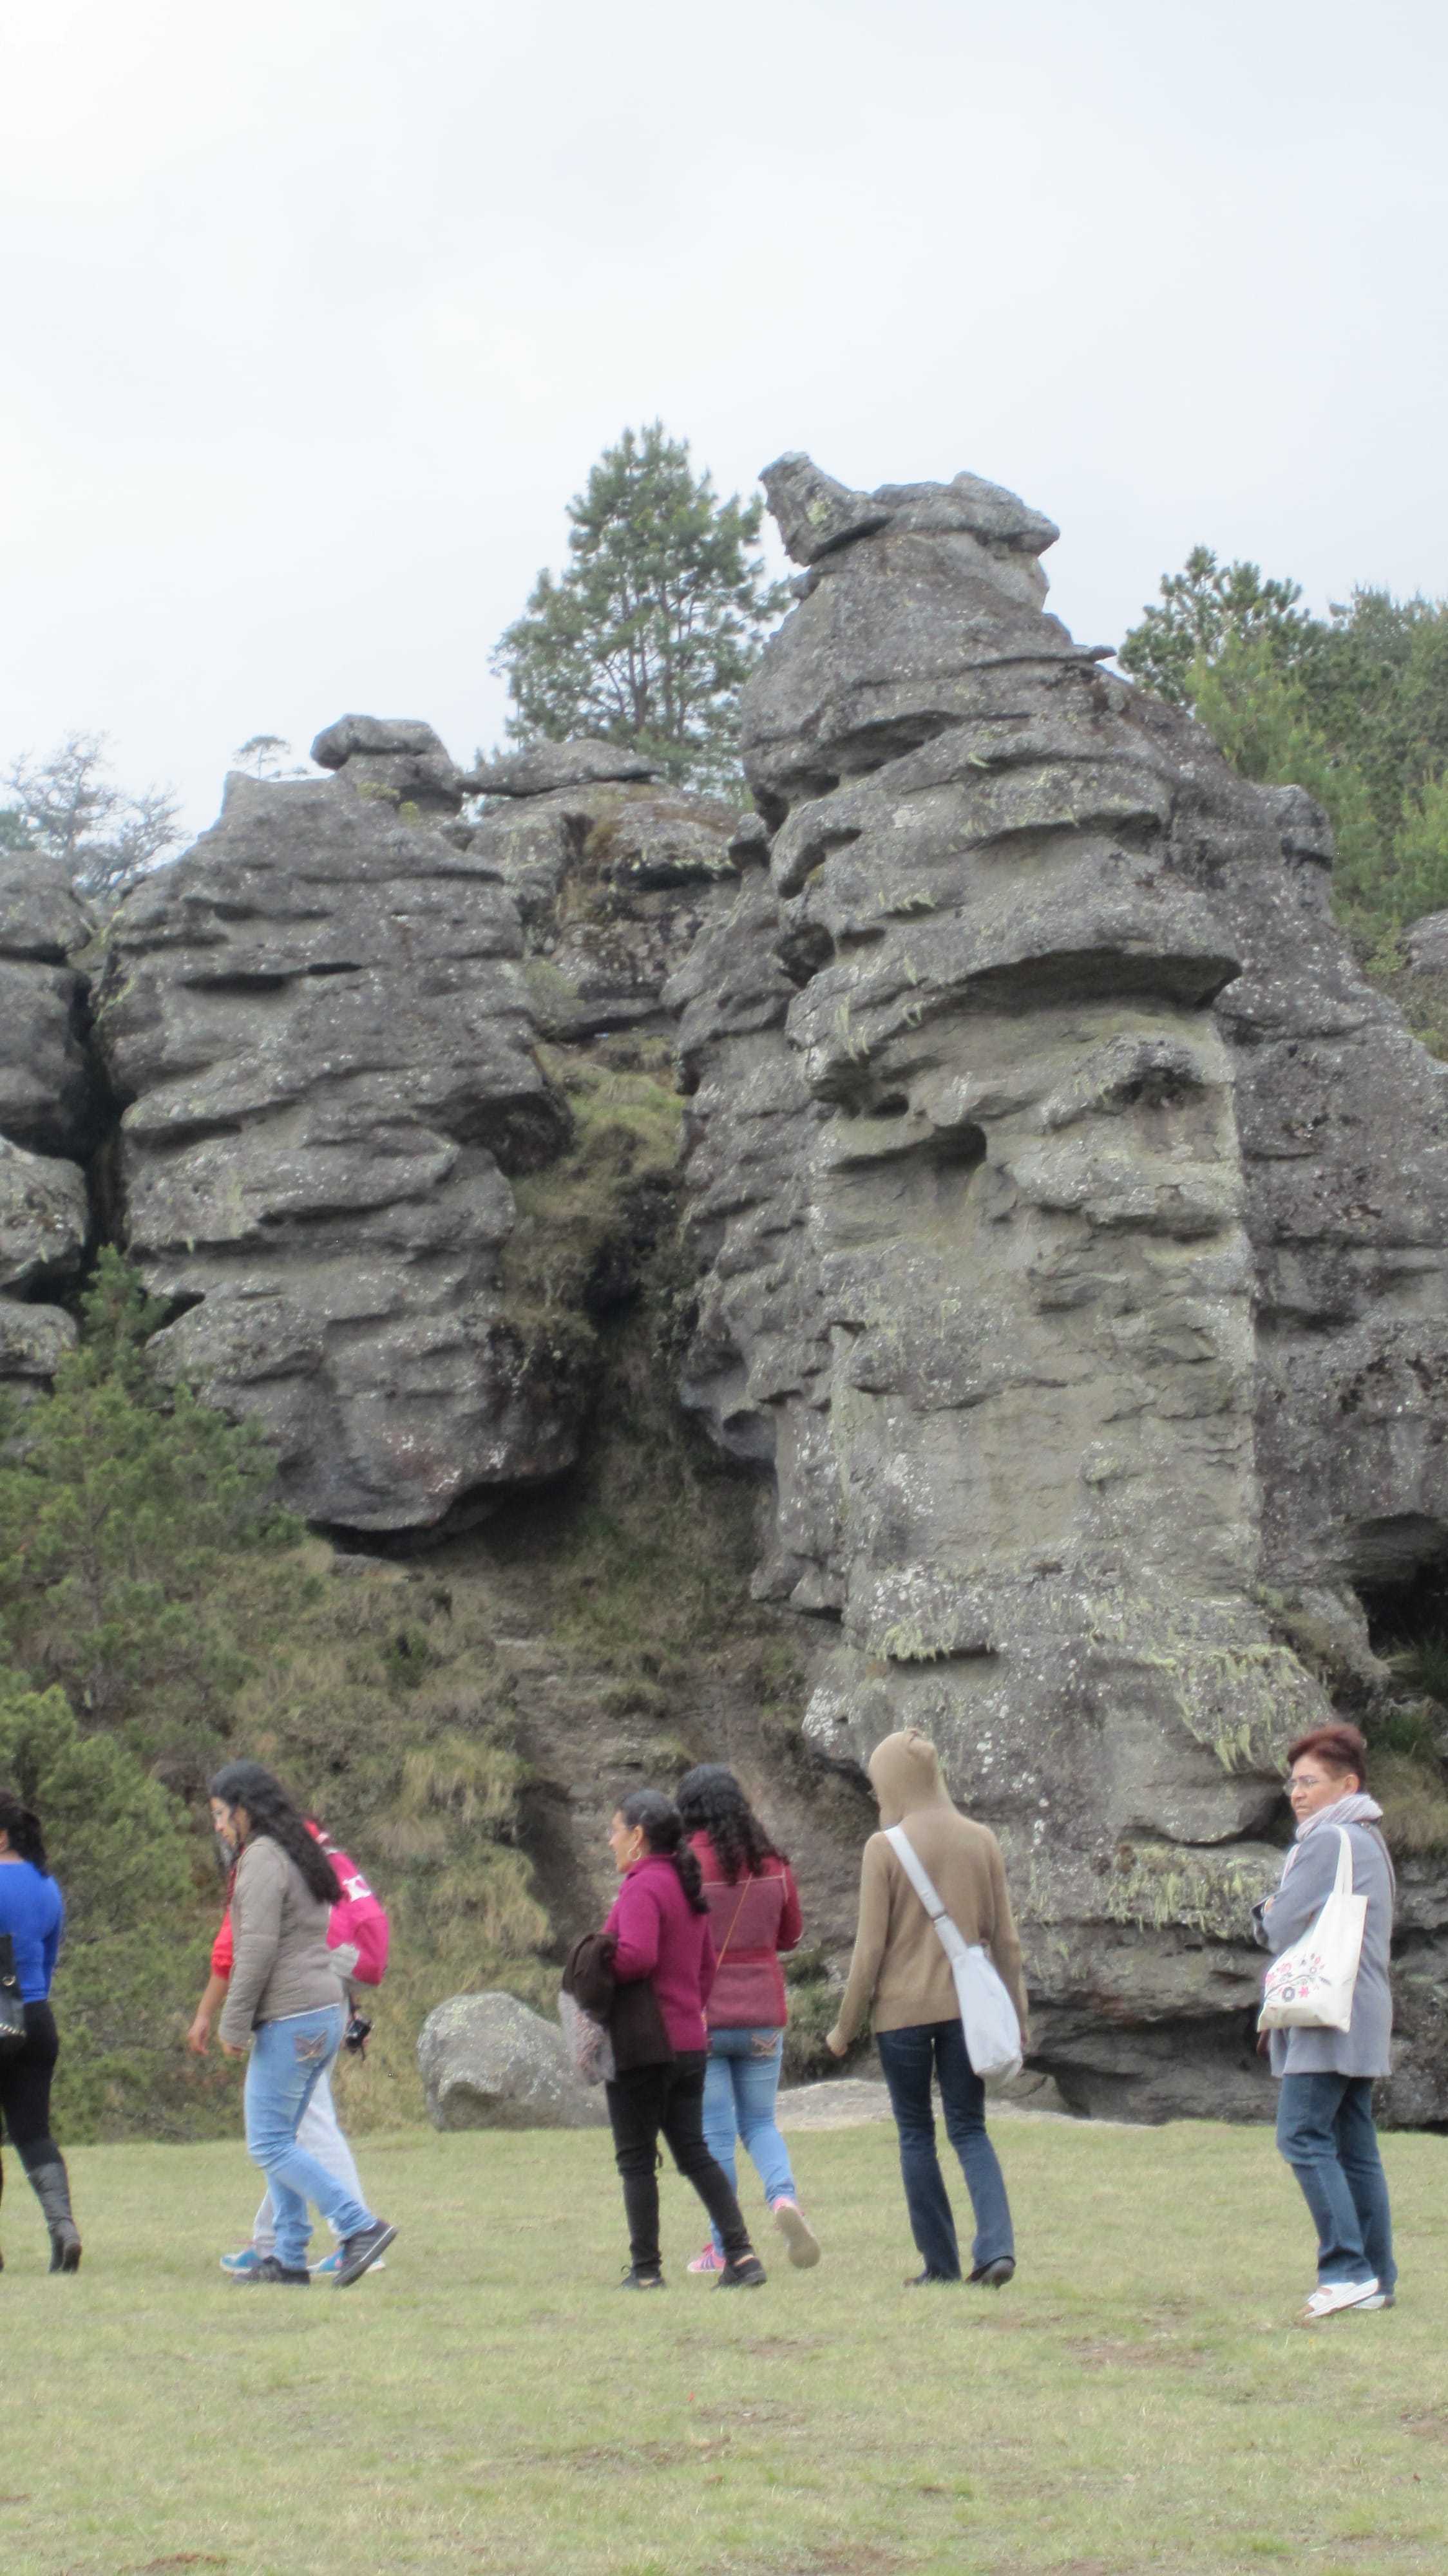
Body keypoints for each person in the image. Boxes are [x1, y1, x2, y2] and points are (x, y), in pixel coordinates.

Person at [826, 1728, 1027, 2289]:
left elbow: (869, 1951)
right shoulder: (981, 1839)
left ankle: (938, 2266)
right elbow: (1007, 1944)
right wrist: (1019, 2017)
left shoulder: (883, 1848)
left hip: (900, 2018)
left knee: (916, 2133)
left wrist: (845, 2028)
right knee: (970, 2129)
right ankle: (996, 2249)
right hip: (968, 2013)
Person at [210, 1760, 394, 2287]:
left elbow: (257, 1950)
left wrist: (233, 2025)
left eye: (223, 1815)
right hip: (323, 2011)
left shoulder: (264, 1858)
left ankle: (359, 2226)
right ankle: (288, 2258)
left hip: (290, 2016)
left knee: (268, 2142)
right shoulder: (301, 1849)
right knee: (286, 2134)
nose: (219, 1826)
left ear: (245, 1810)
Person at [1252, 1722, 1396, 2320]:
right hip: (1362, 2010)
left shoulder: (1328, 1840)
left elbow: (1281, 1925)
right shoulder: (1368, 1839)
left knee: (1302, 2136)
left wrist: (1262, 1910)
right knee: (1354, 2145)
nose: (1297, 1792)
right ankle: (1376, 2277)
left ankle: (1345, 2270)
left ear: (1348, 1784)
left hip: (1325, 2013)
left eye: (1310, 1781)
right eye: (1294, 1782)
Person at [601, 1787, 767, 2290]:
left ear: (638, 1836)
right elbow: (702, 1971)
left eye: (614, 1831)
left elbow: (637, 1957)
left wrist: (595, 1960)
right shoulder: (686, 1885)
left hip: (641, 2044)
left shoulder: (641, 1888)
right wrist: (686, 2013)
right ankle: (741, 2257)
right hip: (690, 2043)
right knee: (694, 2152)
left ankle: (647, 2271)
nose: (610, 1842)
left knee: (636, 2159)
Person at [674, 1764, 820, 2274]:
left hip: (704, 2017)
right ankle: (784, 2200)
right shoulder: (775, 1865)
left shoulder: (682, 1864)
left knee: (715, 2135)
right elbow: (791, 1937)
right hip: (762, 2013)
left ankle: (724, 2246)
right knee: (761, 2122)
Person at [0, 1786, 81, 2272]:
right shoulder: (48, 1885)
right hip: (36, 2016)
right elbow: (48, 1962)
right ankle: (63, 2229)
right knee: (33, 2132)